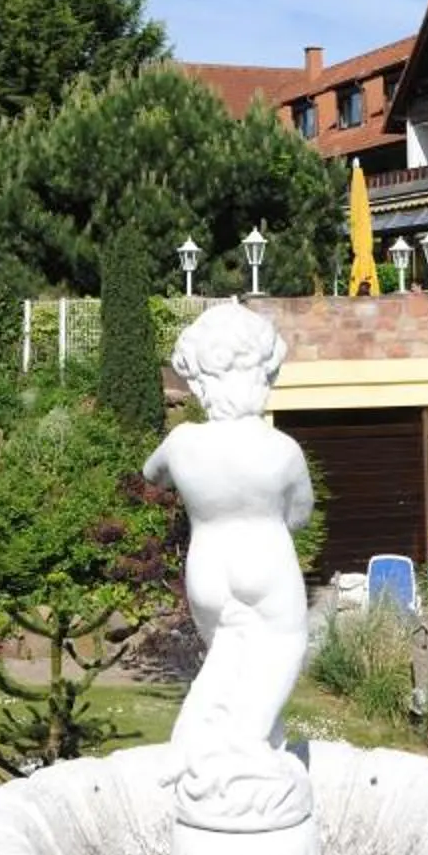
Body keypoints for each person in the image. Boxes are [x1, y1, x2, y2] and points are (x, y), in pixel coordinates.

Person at [144, 303, 312, 758]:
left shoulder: (183, 444)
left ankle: (194, 746)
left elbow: (151, 473)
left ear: (199, 383)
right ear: (262, 374)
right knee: (285, 644)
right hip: (264, 561)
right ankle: (250, 746)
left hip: (208, 573)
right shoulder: (281, 450)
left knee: (225, 658)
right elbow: (300, 515)